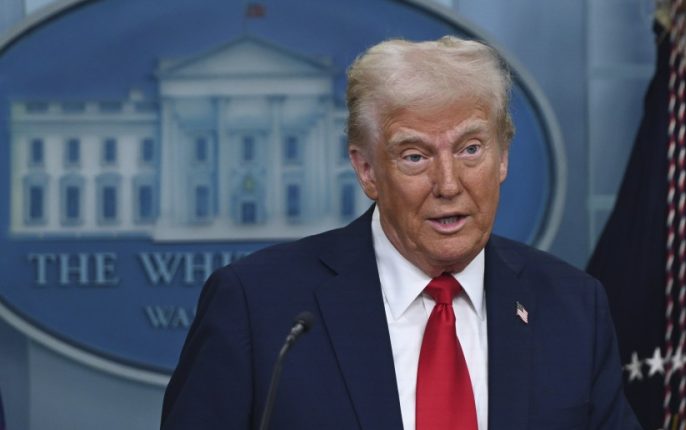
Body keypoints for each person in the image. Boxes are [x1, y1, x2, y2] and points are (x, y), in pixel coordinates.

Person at [161, 36, 642, 430]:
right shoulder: (259, 307)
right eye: (415, 156)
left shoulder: (573, 306)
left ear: (504, 158)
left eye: (471, 149)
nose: (449, 184)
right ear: (367, 170)